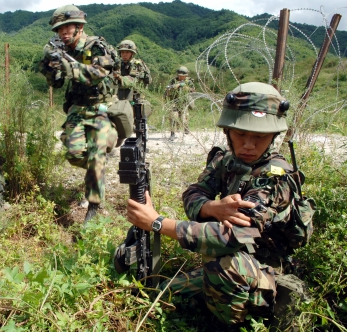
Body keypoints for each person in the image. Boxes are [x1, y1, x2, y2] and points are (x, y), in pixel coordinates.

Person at [121, 82, 315, 327]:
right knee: (159, 295)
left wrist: (158, 223)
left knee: (222, 263)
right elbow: (193, 193)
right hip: (232, 264)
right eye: (241, 134)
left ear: (274, 136)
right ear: (228, 131)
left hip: (261, 269)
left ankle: (238, 322)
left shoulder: (275, 178)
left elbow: (230, 238)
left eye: (259, 137)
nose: (248, 145)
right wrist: (210, 208)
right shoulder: (225, 160)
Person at [39, 4, 118, 224]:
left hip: (100, 108)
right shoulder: (62, 50)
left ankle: (93, 206)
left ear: (79, 26)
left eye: (67, 27)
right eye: (59, 30)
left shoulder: (96, 46)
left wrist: (66, 65)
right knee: (74, 154)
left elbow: (99, 73)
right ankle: (97, 164)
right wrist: (49, 66)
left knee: (96, 156)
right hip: (77, 108)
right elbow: (56, 82)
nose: (62, 33)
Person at [113, 39, 152, 147]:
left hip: (135, 97)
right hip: (121, 96)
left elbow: (131, 81)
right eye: (122, 52)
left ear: (132, 53)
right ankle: (120, 136)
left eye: (127, 52)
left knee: (138, 123)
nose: (124, 54)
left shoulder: (137, 65)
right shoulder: (117, 64)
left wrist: (118, 77)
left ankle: (140, 143)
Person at [165, 66, 195, 140]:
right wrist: (173, 87)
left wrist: (184, 87)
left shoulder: (188, 81)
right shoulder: (173, 81)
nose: (182, 77)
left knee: (184, 118)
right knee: (173, 117)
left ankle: (186, 128)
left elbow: (193, 90)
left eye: (183, 76)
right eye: (180, 76)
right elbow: (168, 90)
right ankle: (172, 133)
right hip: (174, 102)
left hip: (184, 102)